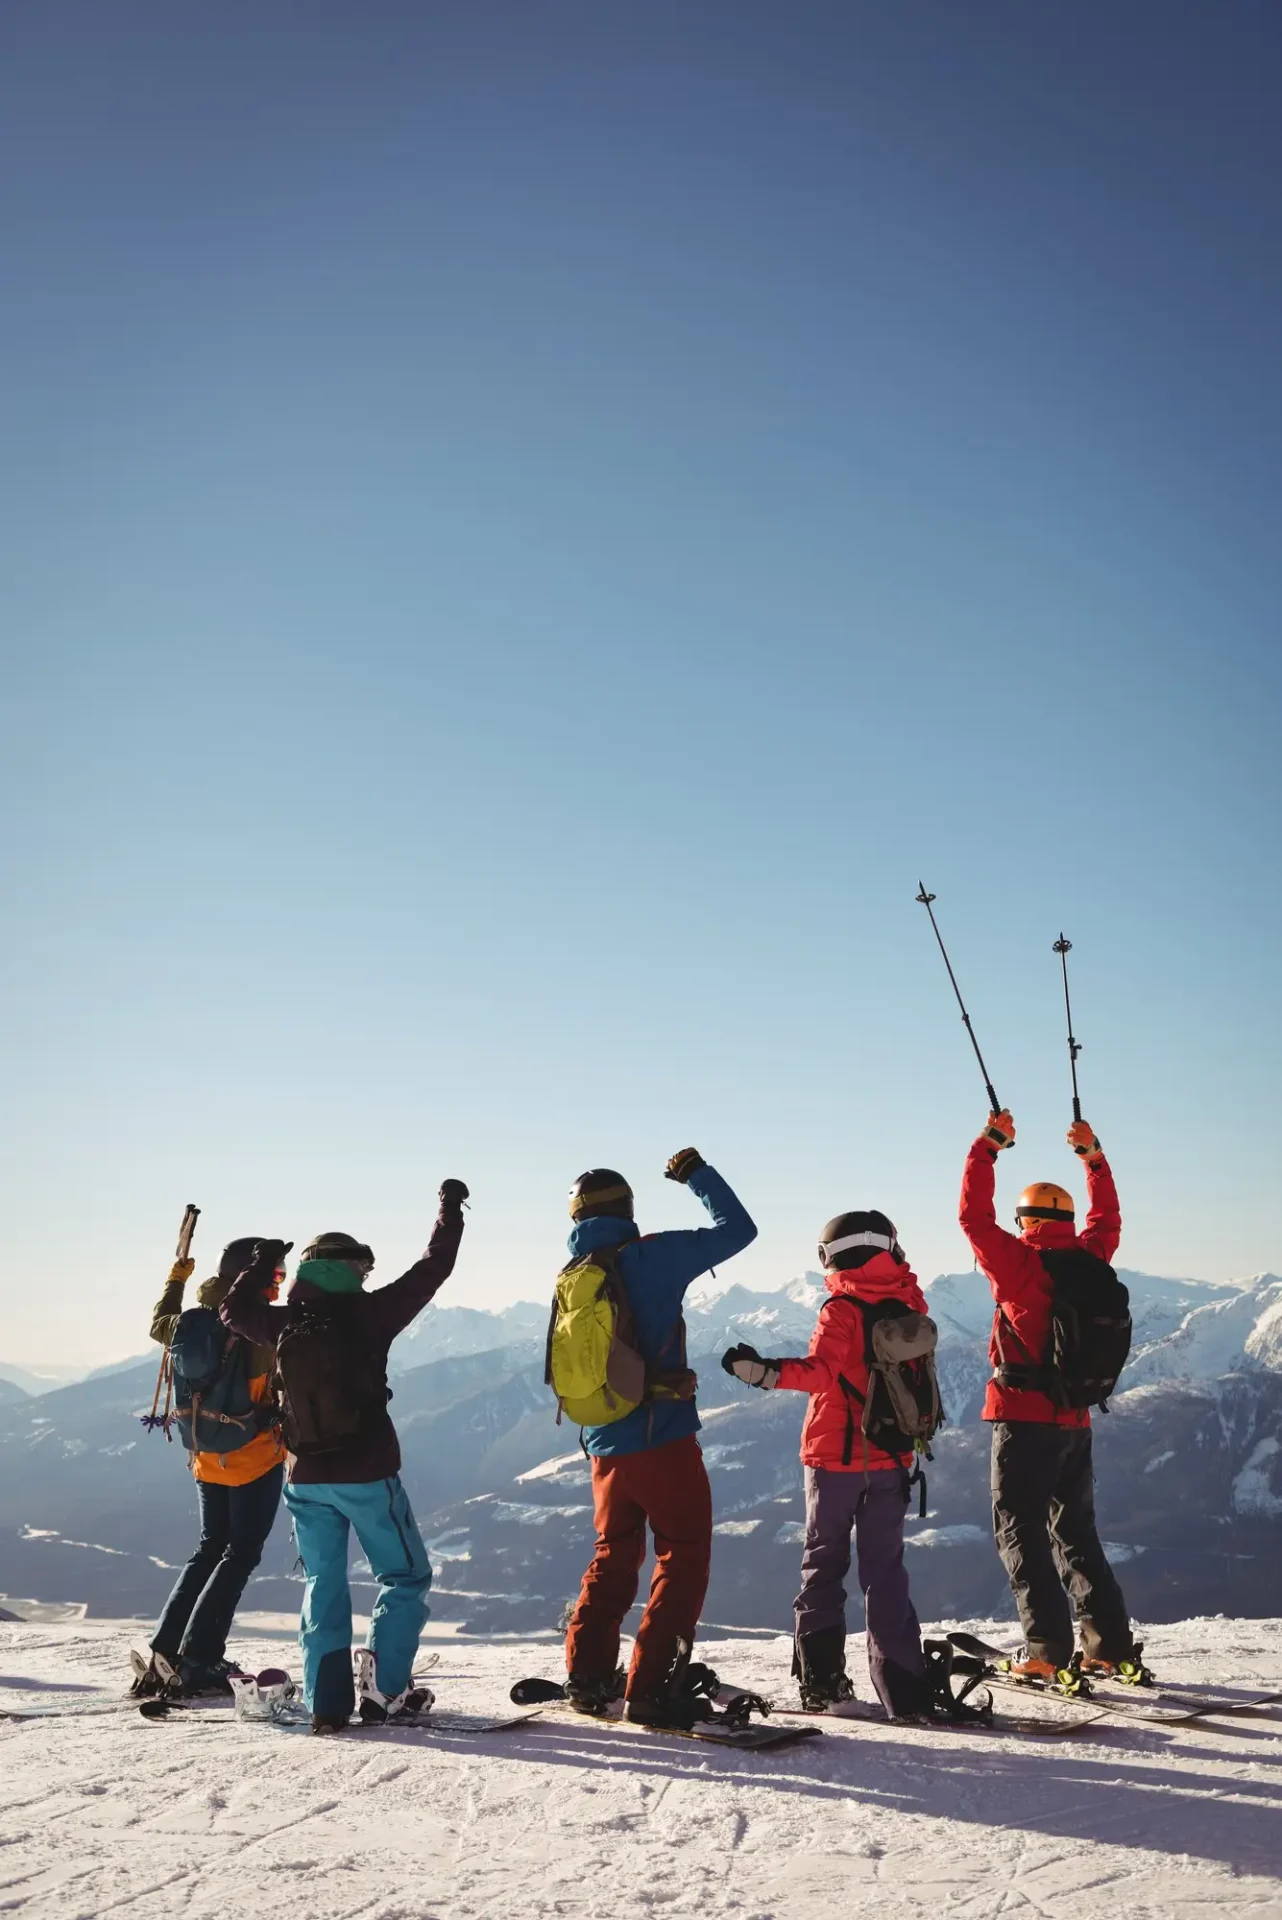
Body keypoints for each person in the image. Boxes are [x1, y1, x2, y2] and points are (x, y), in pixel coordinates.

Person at [220, 1180, 468, 1734]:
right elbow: (435, 1266)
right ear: (353, 1270)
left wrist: (261, 1265)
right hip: (368, 1474)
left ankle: (327, 1702)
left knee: (323, 1583)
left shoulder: (284, 1322)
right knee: (404, 1577)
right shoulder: (373, 1315)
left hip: (303, 1477)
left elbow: (231, 1309)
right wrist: (450, 1210)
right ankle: (384, 1692)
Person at [561, 1150, 757, 1728]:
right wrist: (696, 1172)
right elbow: (738, 1230)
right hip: (662, 1437)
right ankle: (650, 1687)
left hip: (602, 1444)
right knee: (684, 1552)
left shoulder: (574, 1275)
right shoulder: (653, 1256)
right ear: (626, 1208)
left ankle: (588, 1676)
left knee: (612, 1554)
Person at [721, 1209, 936, 1719]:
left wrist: (762, 1373)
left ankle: (822, 1686)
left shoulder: (841, 1308)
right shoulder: (911, 1301)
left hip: (835, 1459)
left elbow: (819, 1374)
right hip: (892, 1456)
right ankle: (903, 1690)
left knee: (823, 1568)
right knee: (886, 1573)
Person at [960, 1110, 1141, 1681]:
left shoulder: (1018, 1266)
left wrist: (988, 1145)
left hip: (1022, 1420)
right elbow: (1108, 1216)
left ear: (1024, 1221)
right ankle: (1107, 1642)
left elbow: (971, 1215)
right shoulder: (1090, 1260)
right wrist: (1093, 1156)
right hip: (1075, 1421)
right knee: (1076, 1531)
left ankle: (1045, 1651)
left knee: (1020, 1528)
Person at [134, 1237, 288, 1698]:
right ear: (253, 1275)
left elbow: (157, 1321)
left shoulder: (187, 1323)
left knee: (209, 1549)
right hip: (254, 1458)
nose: (279, 1283)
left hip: (204, 1456)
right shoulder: (257, 1330)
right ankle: (201, 1658)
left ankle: (167, 1650)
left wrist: (176, 1279)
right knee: (240, 1555)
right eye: (275, 1275)